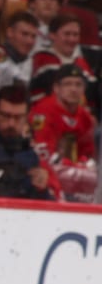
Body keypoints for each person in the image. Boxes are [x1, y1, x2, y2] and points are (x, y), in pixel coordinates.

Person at [28, 65, 98, 198]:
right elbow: (42, 151)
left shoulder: (85, 117)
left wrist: (83, 164)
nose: (73, 89)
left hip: (74, 171)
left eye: (78, 85)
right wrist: (74, 167)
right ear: (56, 88)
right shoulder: (43, 111)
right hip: (46, 169)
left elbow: (88, 153)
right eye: (67, 84)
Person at [0, 10, 41, 107]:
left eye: (33, 36)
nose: (30, 41)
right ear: (10, 32)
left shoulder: (31, 62)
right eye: (24, 34)